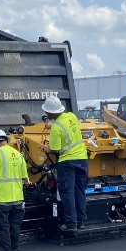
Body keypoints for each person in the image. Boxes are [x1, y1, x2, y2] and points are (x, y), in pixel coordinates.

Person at [41, 96, 88, 233]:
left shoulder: (56, 128)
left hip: (67, 162)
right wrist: (52, 124)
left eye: (47, 112)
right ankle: (81, 222)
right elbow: (65, 126)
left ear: (51, 113)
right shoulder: (72, 116)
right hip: (82, 159)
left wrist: (46, 149)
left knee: (67, 192)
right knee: (80, 191)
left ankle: (71, 224)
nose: (46, 115)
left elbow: (54, 149)